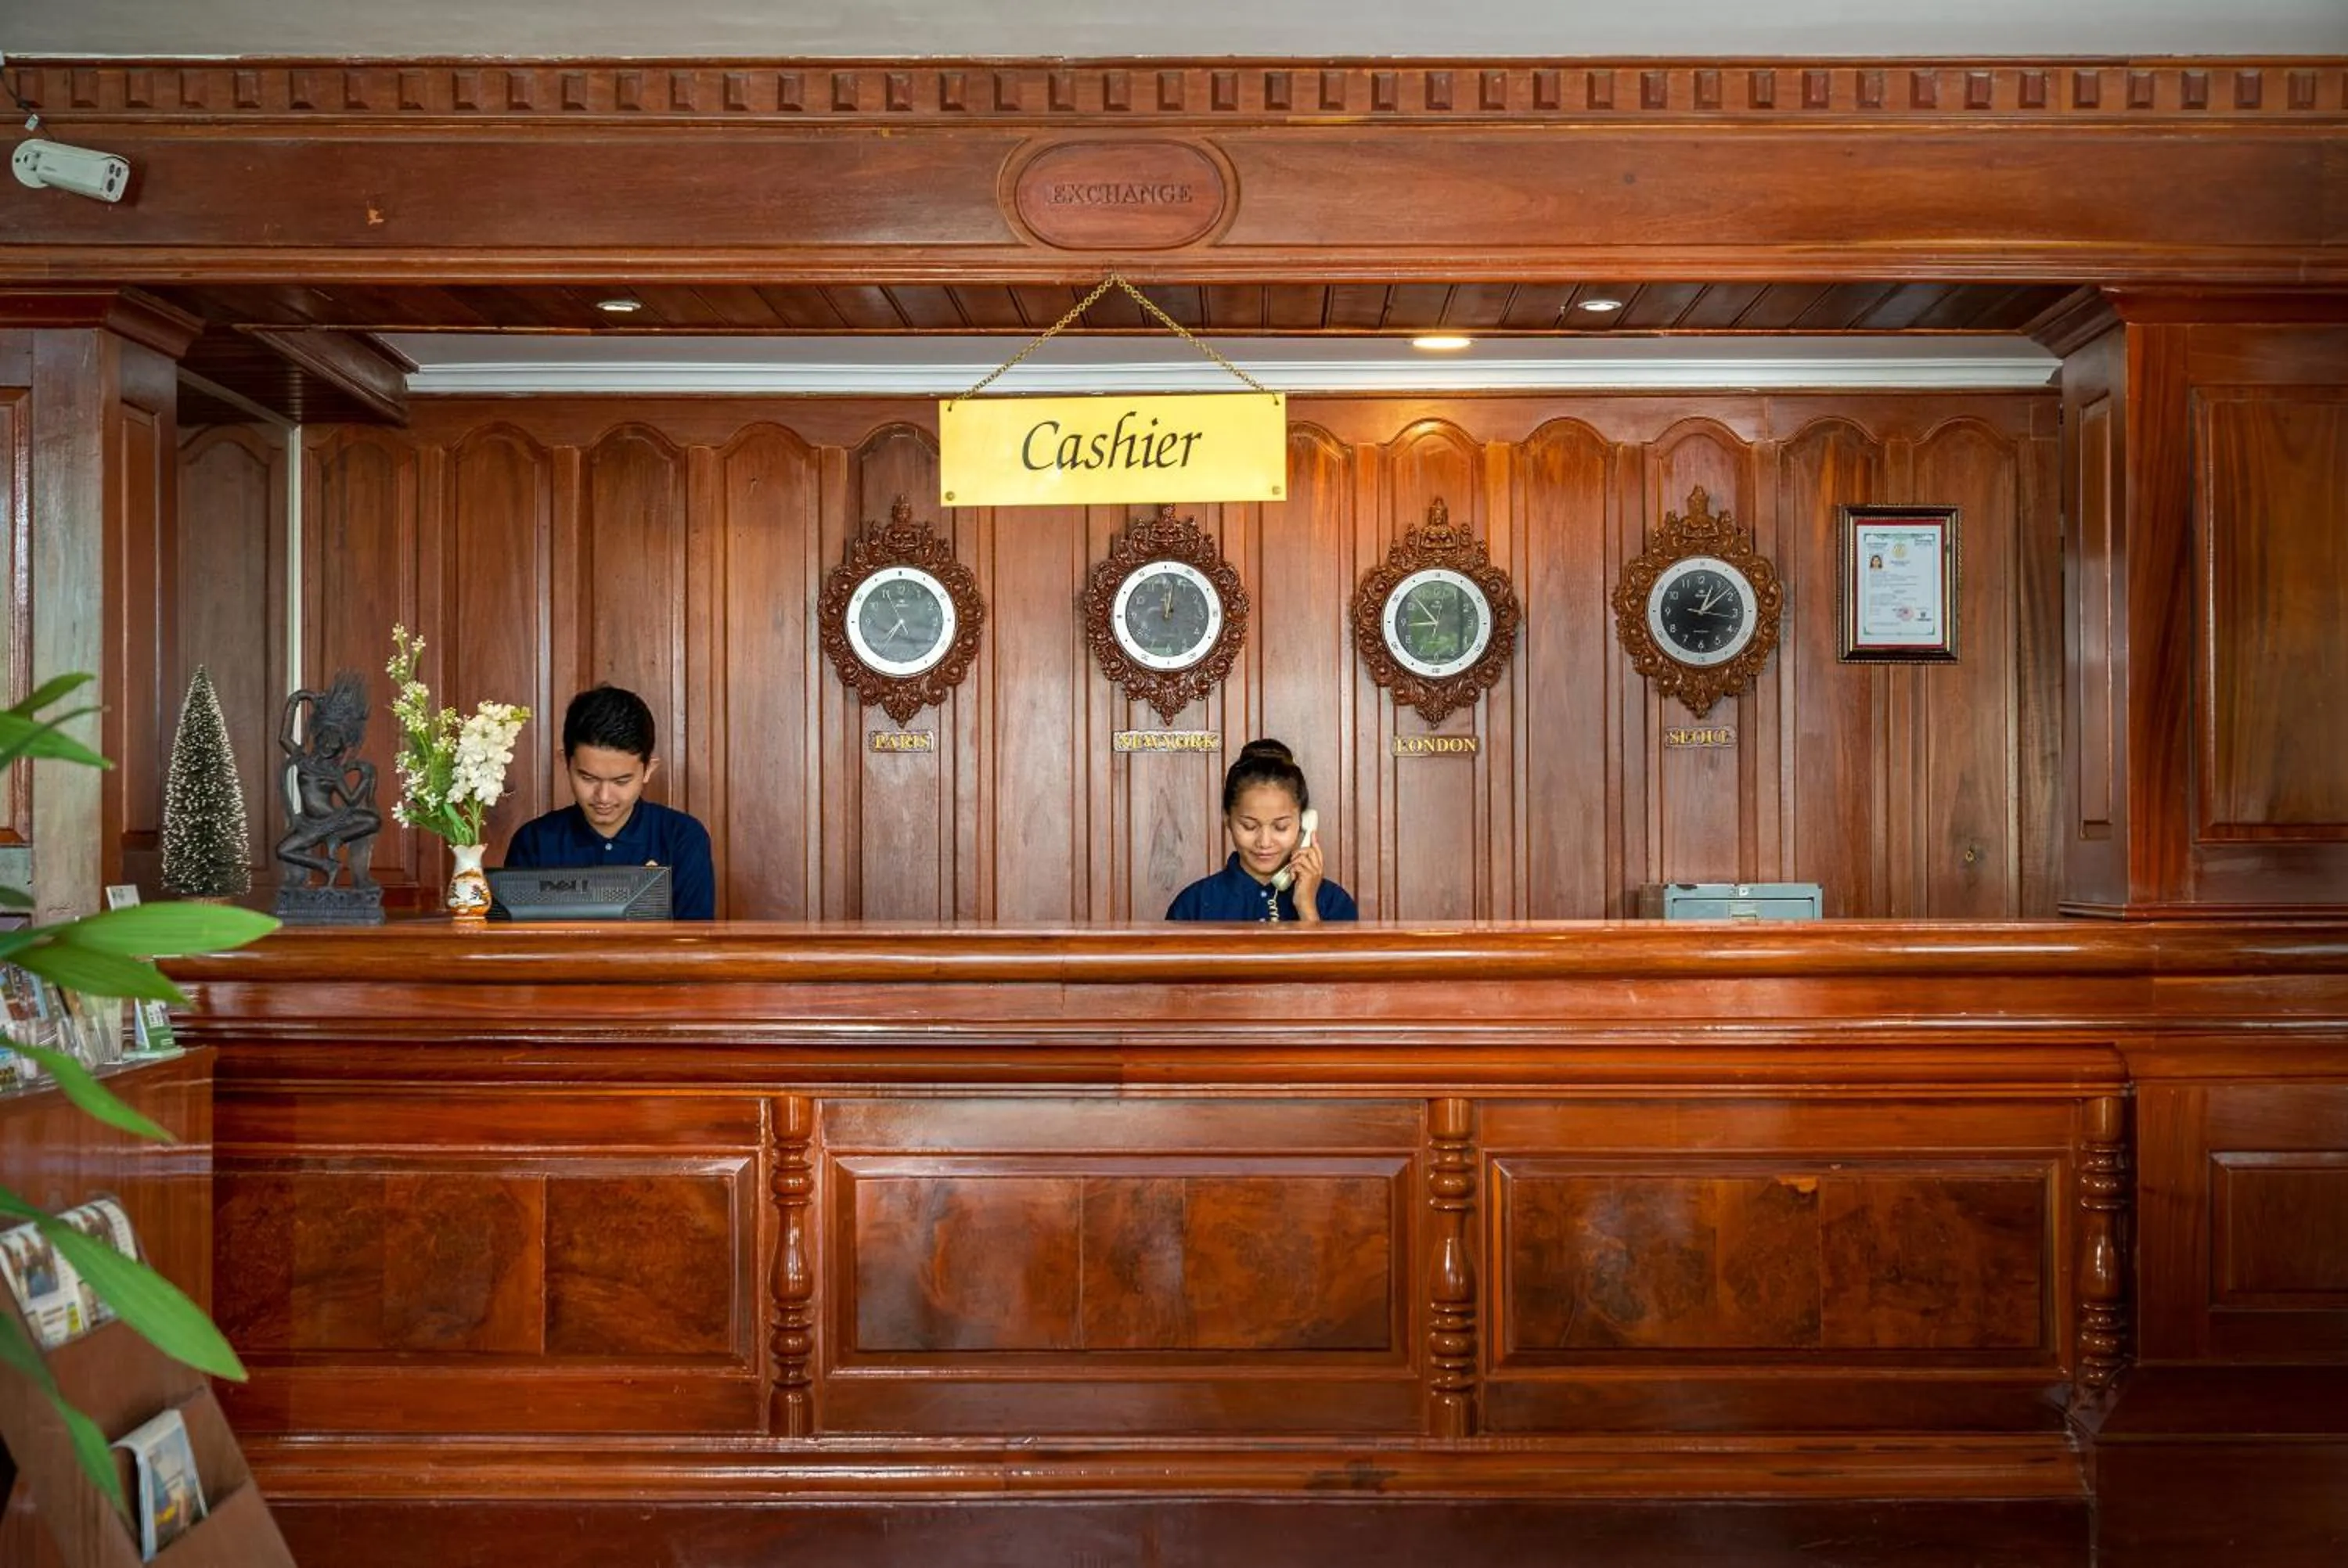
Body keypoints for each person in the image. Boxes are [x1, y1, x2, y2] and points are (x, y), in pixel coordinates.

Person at [502, 685, 716, 919]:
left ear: (648, 770)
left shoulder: (682, 838)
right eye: (588, 778)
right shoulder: (535, 842)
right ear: (565, 762)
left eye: (621, 781)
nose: (604, 797)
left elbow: (693, 936)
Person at [1166, 739, 1358, 923]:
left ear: (1303, 822)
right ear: (1227, 819)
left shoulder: (1335, 903)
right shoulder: (1192, 906)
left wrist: (1307, 908)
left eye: (1280, 827)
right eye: (1249, 826)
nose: (1265, 842)